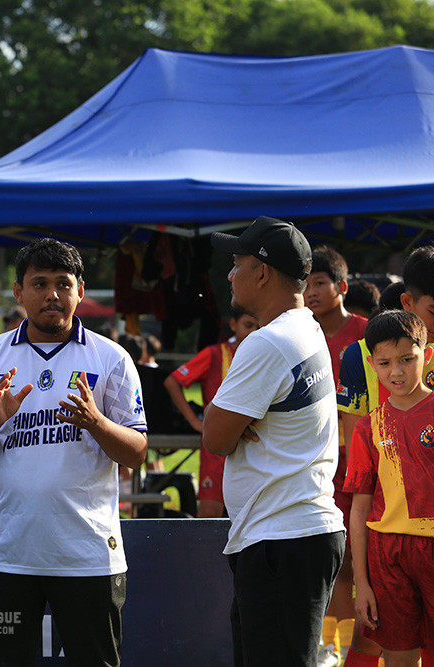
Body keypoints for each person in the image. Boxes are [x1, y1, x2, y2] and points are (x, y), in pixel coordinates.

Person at [0, 237, 148, 667]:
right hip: (6, 553)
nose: (51, 295)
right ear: (18, 292)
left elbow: (136, 452)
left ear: (80, 290)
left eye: (62, 283)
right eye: (39, 284)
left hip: (88, 554)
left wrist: (97, 422)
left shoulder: (112, 357)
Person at [203, 216, 345, 667]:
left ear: (262, 272)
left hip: (282, 539)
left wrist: (233, 417)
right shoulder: (305, 327)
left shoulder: (268, 342)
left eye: (237, 263)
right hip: (292, 534)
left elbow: (215, 436)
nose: (229, 274)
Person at [337, 246, 434, 664]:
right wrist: (363, 577)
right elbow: (358, 500)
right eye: (385, 363)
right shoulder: (366, 419)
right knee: (386, 642)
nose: (396, 371)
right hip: (386, 542)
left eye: (407, 361)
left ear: (424, 356)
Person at [304, 246, 369, 627]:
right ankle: (332, 641)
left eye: (321, 283)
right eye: (307, 284)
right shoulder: (301, 331)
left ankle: (349, 641)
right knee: (327, 550)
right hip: (313, 456)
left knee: (354, 553)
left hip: (358, 456)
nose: (312, 292)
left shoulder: (366, 333)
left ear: (341, 286)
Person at [164, 307, 259, 518]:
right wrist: (195, 421)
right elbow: (173, 381)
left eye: (259, 327)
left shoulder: (265, 353)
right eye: (248, 326)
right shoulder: (215, 353)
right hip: (216, 450)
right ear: (233, 325)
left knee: (252, 517)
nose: (254, 332)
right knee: (209, 514)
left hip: (253, 446)